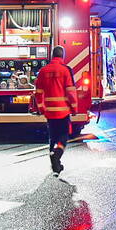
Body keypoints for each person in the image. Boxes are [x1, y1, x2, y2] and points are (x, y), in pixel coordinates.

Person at [34, 45, 79, 176]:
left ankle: (56, 165)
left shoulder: (43, 70)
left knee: (52, 137)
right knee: (63, 136)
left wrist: (41, 108)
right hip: (63, 111)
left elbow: (38, 92)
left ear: (52, 56)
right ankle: (57, 155)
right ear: (62, 56)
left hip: (50, 112)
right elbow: (71, 92)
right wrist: (74, 108)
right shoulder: (65, 71)